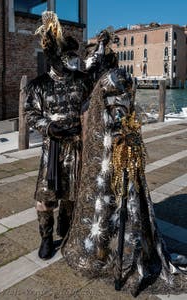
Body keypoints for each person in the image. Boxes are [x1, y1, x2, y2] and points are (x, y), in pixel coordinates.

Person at [62, 32, 186, 296]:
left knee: (115, 195)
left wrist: (123, 143)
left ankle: (116, 252)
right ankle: (100, 246)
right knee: (100, 197)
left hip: (115, 153)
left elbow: (122, 118)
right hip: (99, 154)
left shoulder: (116, 79)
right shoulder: (96, 80)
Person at [25, 11, 92, 260]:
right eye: (67, 55)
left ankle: (68, 232)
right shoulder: (37, 85)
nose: (72, 59)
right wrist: (48, 127)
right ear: (54, 57)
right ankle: (45, 238)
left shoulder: (82, 81)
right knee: (46, 196)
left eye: (73, 55)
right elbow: (30, 113)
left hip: (77, 147)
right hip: (52, 148)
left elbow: (93, 106)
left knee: (73, 194)